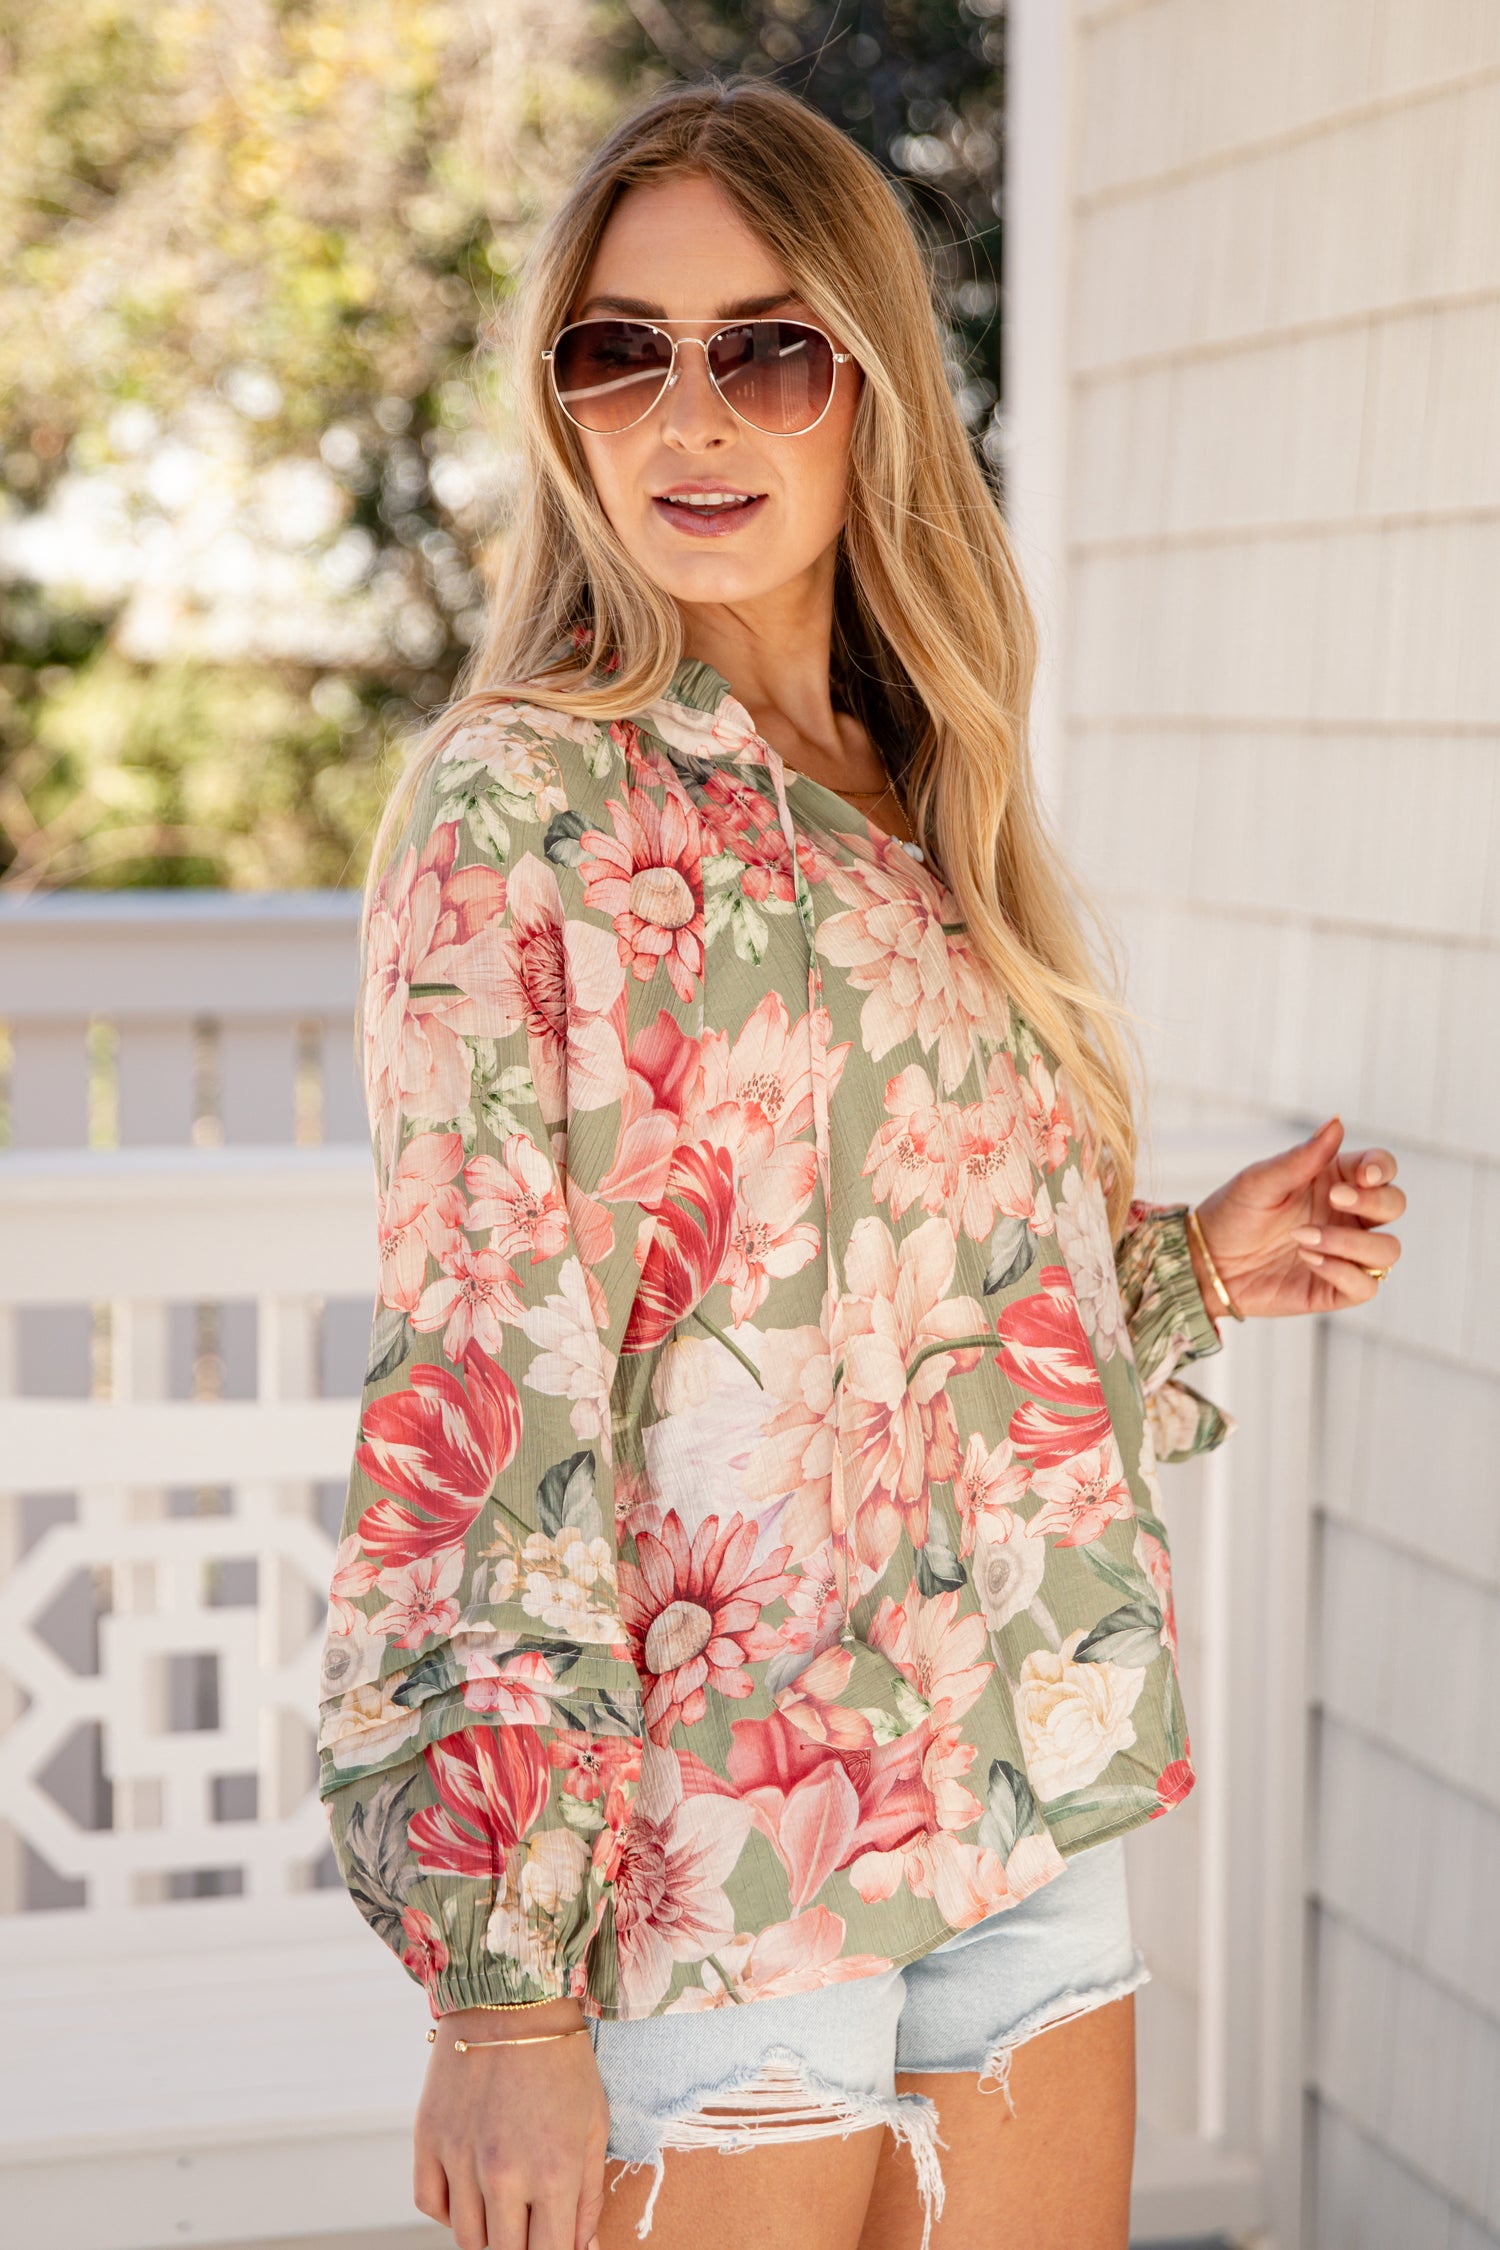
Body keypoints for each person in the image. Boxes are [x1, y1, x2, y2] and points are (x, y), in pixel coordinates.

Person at [317, 77, 1406, 2250]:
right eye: (618, 349)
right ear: (562, 404)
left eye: (768, 346)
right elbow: (489, 1400)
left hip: (1017, 1797)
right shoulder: (525, 810)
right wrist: (506, 1997)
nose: (689, 414)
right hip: (714, 1878)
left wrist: (1182, 1273)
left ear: (872, 386)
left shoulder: (919, 790)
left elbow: (897, 1317)